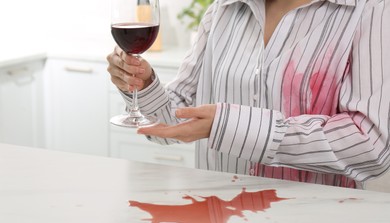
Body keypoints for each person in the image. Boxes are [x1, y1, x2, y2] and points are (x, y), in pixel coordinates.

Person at [106, 0, 390, 189]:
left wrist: (232, 126)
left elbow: (370, 146)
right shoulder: (223, 9)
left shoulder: (371, 11)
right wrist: (143, 86)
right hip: (220, 222)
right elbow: (170, 123)